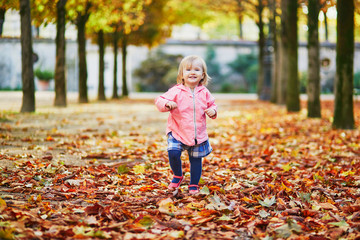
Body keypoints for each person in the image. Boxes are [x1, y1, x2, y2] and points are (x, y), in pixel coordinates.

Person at [155, 55, 217, 195]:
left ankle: (193, 185)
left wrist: (213, 111)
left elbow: (212, 104)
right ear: (182, 75)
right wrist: (167, 104)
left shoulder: (204, 92)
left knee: (195, 159)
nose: (192, 72)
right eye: (188, 69)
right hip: (177, 130)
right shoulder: (176, 91)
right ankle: (178, 175)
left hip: (197, 134)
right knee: (173, 152)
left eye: (196, 69)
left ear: (202, 75)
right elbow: (160, 100)